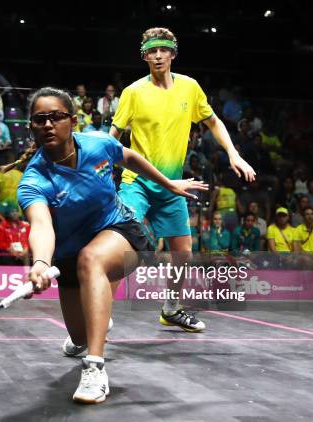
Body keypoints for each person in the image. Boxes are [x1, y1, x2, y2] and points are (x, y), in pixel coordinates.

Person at [14, 87, 207, 404]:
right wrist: (40, 263)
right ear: (31, 126)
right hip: (66, 256)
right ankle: (97, 319)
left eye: (57, 117)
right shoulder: (34, 180)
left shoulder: (98, 143)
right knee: (79, 337)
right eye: (40, 119)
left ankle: (95, 368)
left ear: (72, 121)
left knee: (92, 260)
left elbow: (128, 156)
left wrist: (170, 184)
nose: (48, 124)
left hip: (121, 232)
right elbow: (41, 225)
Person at [109, 27, 255, 332]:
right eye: (152, 51)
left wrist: (233, 153)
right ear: (144, 56)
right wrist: (99, 167)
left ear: (173, 54)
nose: (158, 55)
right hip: (137, 181)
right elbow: (114, 136)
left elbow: (213, 122)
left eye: (163, 50)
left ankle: (172, 309)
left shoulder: (190, 87)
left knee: (183, 251)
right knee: (121, 246)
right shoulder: (133, 92)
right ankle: (101, 314)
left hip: (172, 183)